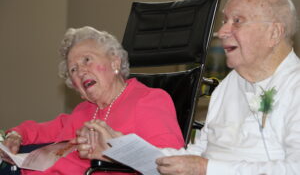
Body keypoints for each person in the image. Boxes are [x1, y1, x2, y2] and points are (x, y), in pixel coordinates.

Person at [155, 0, 300, 175]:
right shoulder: (229, 84)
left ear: (274, 33)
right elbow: (201, 151)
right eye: (225, 21)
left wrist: (207, 169)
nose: (222, 32)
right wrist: (124, 150)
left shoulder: (295, 87)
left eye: (237, 21)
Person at [0, 26, 184, 174]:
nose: (80, 71)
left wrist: (114, 153)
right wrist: (16, 134)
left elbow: (170, 166)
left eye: (87, 60)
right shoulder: (84, 110)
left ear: (115, 62)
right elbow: (45, 129)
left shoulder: (148, 101)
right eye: (73, 69)